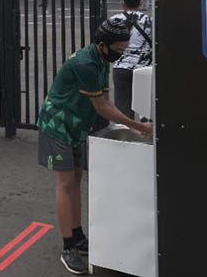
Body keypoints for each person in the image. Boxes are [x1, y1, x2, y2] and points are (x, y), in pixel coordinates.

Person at [36, 16, 154, 275]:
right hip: (58, 124)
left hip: (75, 125)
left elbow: (106, 99)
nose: (121, 54)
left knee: (76, 177)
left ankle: (77, 236)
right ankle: (68, 247)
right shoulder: (86, 64)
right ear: (103, 44)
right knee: (65, 183)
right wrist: (139, 126)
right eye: (119, 49)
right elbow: (102, 107)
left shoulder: (101, 60)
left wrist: (129, 123)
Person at [111, 0, 153, 119]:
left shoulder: (114, 20)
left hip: (121, 67)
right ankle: (146, 135)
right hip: (144, 69)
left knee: (123, 113)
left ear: (122, 2)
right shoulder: (149, 21)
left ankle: (125, 136)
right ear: (140, 3)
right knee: (146, 110)